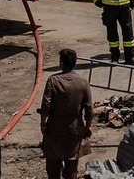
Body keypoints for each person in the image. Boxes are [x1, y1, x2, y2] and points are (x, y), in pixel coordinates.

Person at [39, 48, 94, 179]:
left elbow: (45, 106)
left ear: (61, 63)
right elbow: (89, 108)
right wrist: (88, 126)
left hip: (54, 128)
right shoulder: (83, 82)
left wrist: (43, 124)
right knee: (71, 166)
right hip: (74, 129)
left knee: (53, 167)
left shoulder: (53, 80)